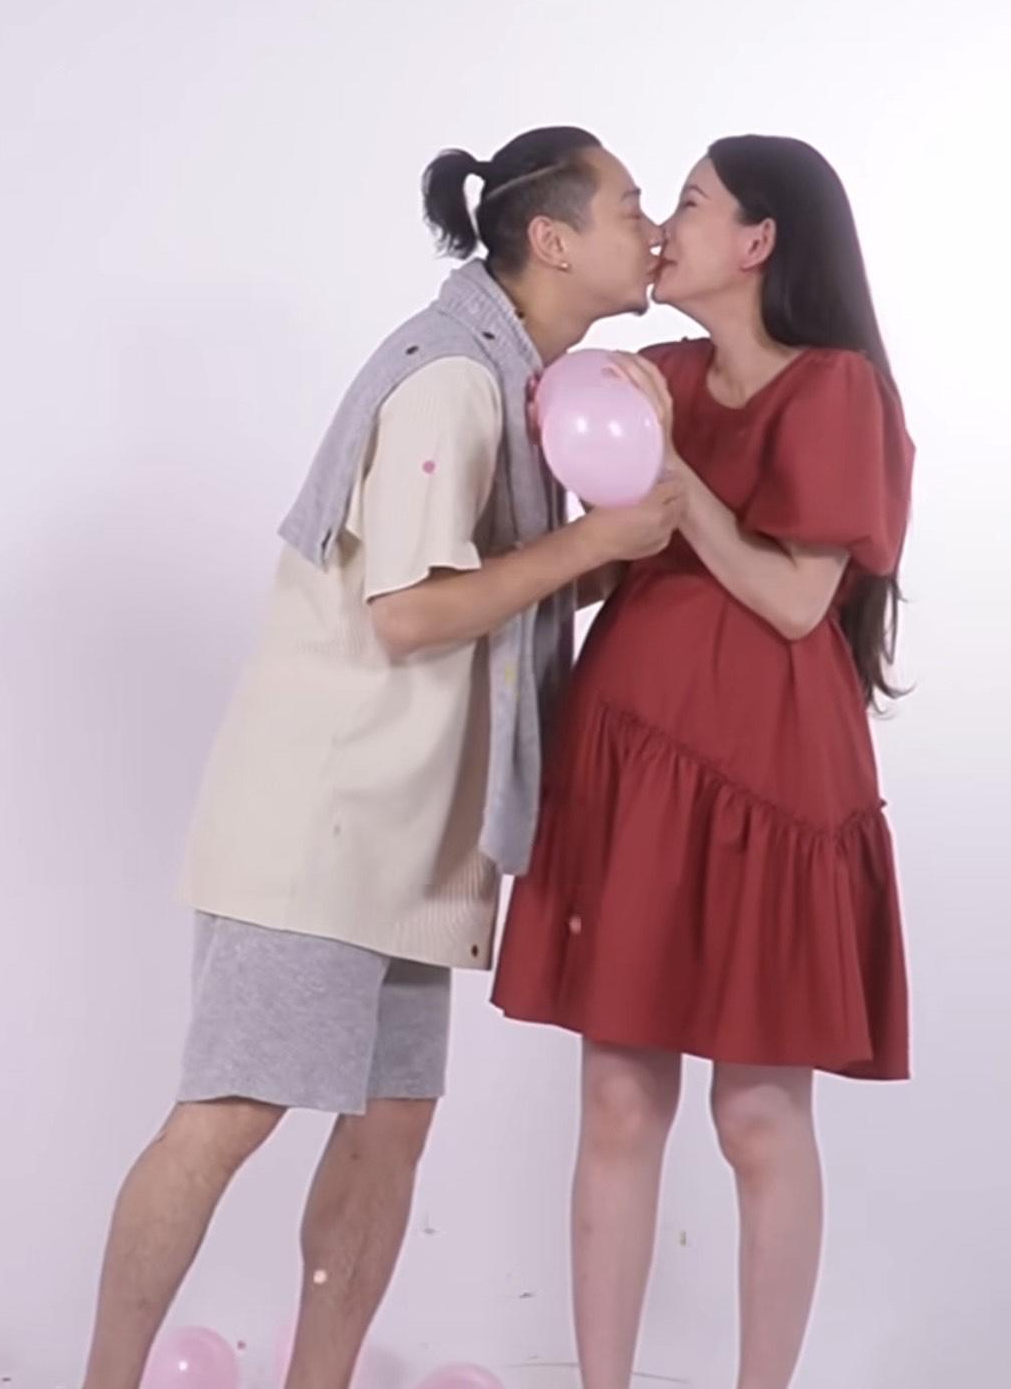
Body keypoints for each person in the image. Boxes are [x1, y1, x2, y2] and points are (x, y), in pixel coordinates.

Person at [81, 126, 684, 1389]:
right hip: (324, 827)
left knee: (392, 1125)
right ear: (552, 239)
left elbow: (494, 595)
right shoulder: (451, 381)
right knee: (229, 1113)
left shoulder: (519, 382)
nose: (650, 229)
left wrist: (610, 546)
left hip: (414, 839)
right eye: (631, 205)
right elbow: (408, 612)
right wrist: (593, 546)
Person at [493, 135, 914, 1389]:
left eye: (688, 203)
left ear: (760, 241)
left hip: (769, 784)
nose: (665, 228)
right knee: (619, 1104)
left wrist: (674, 474)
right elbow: (603, 557)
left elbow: (794, 601)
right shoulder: (659, 375)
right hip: (633, 774)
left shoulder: (834, 389)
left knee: (757, 1115)